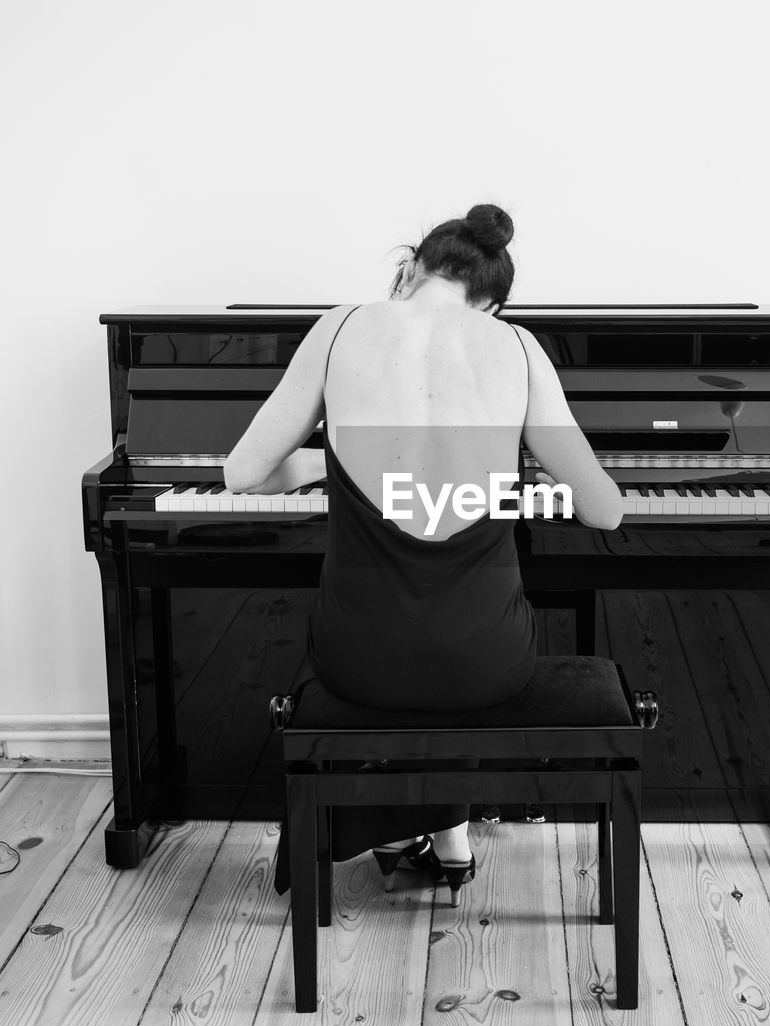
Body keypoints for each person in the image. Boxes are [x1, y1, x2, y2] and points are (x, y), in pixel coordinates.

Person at [224, 204, 622, 901]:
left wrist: (338, 458)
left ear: (408, 269)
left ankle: (421, 830)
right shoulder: (519, 349)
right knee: (466, 625)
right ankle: (447, 832)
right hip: (487, 665)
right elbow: (604, 510)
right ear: (491, 304)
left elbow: (241, 473)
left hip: (358, 658)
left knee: (396, 639)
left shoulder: (343, 326)